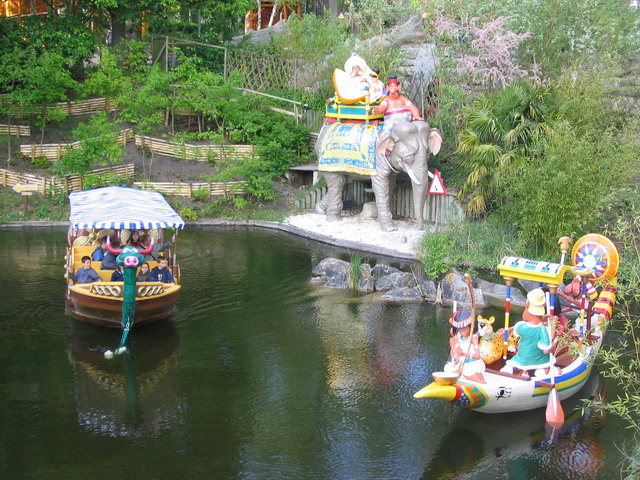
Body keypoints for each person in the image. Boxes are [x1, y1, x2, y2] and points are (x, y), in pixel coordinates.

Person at [501, 288, 556, 378]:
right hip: (538, 360)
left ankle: (513, 369)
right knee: (544, 363)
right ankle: (536, 372)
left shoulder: (521, 326)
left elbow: (518, 331)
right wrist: (553, 345)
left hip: (522, 358)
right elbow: (546, 349)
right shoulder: (542, 329)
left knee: (517, 358)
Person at [443, 309, 486, 383]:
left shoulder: (474, 338)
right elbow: (455, 351)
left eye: (463, 330)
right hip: (463, 362)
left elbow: (477, 356)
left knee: (466, 370)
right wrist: (456, 357)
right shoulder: (459, 337)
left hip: (474, 364)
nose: (461, 332)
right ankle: (467, 376)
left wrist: (463, 354)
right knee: (447, 367)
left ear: (469, 328)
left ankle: (478, 378)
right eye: (459, 330)